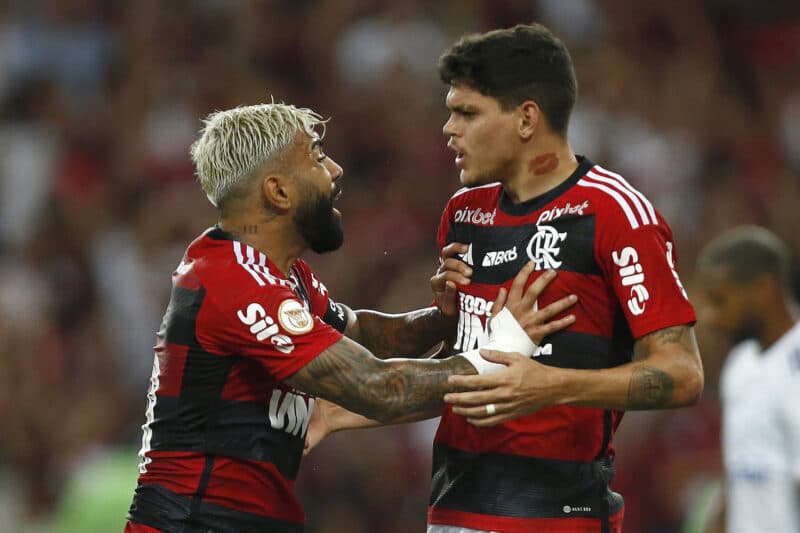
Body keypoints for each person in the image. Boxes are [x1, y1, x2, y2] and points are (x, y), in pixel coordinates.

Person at [308, 23, 704, 533]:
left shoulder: (614, 213)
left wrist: (552, 386)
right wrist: (349, 408)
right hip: (451, 510)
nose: (449, 129)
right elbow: (474, 373)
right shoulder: (464, 215)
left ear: (526, 119)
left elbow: (683, 374)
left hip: (556, 517)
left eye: (467, 113)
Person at [122, 102, 577, 533]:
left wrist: (445, 318)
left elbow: (366, 335)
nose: (336, 171)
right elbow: (380, 388)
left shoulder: (276, 274)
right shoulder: (233, 283)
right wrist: (505, 350)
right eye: (317, 157)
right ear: (278, 191)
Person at [696, 225, 800, 533]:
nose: (710, 316)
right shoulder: (740, 365)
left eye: (720, 300)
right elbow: (739, 473)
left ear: (763, 289)